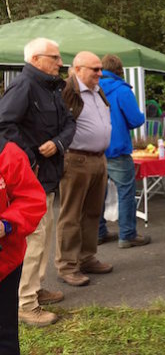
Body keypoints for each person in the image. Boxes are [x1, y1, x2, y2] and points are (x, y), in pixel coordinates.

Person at [0, 37, 76, 327]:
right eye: (54, 58)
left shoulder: (52, 88)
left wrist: (57, 143)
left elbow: (70, 123)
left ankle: (35, 287)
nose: (60, 63)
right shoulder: (24, 86)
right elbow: (4, 125)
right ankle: (25, 304)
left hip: (49, 175)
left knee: (42, 239)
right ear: (36, 60)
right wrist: (30, 155)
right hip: (32, 179)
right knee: (33, 239)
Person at [56, 52, 112, 287]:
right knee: (71, 215)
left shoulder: (97, 89)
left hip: (99, 159)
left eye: (100, 69)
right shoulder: (67, 91)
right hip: (76, 160)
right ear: (78, 69)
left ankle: (87, 257)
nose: (100, 73)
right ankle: (67, 265)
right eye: (95, 69)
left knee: (92, 212)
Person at [0, 138, 47, 353]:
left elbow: (32, 200)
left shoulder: (8, 153)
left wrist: (7, 224)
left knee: (5, 335)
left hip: (5, 265)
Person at [97, 54, 150, 249]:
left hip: (96, 150)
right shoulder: (122, 90)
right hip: (118, 149)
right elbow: (136, 120)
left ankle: (99, 232)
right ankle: (127, 234)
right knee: (126, 192)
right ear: (120, 70)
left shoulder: (93, 88)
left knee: (98, 193)